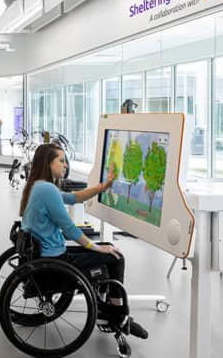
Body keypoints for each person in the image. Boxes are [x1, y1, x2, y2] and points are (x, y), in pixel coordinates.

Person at [19, 143, 147, 338]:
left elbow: (74, 198)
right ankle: (118, 316)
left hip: (46, 255)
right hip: (55, 262)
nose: (65, 165)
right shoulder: (47, 190)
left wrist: (103, 187)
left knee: (108, 249)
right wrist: (96, 247)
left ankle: (105, 310)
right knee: (115, 257)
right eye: (61, 161)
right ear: (48, 163)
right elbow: (70, 230)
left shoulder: (38, 186)